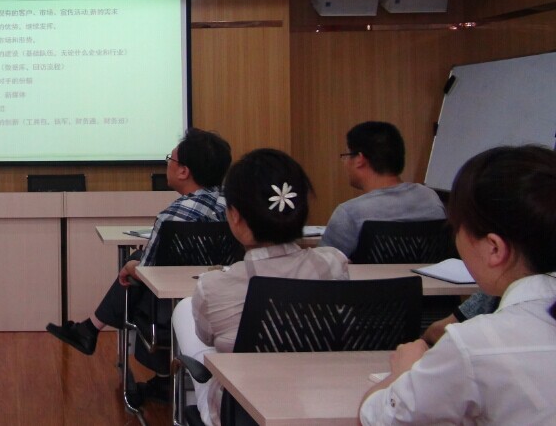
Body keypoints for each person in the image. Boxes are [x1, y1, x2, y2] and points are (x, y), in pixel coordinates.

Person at [360, 145, 556, 425]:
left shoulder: (475, 343)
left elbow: (375, 418)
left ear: (494, 248)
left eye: (457, 227)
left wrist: (403, 372)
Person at [46, 128, 232, 404]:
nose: (167, 164)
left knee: (132, 265)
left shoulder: (172, 216)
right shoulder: (233, 208)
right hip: (220, 303)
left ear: (184, 171)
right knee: (137, 258)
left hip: (169, 309)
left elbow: (148, 271)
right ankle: (91, 330)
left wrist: (131, 266)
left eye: (171, 159)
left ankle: (91, 329)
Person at [173, 149, 349, 426]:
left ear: (235, 217)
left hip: (240, 412)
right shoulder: (334, 264)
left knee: (185, 309)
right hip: (322, 401)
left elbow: (206, 337)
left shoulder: (214, 286)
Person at [319, 121, 445, 256]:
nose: (345, 163)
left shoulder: (350, 214)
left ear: (359, 160)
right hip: (426, 271)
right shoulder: (430, 199)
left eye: (346, 156)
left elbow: (323, 265)